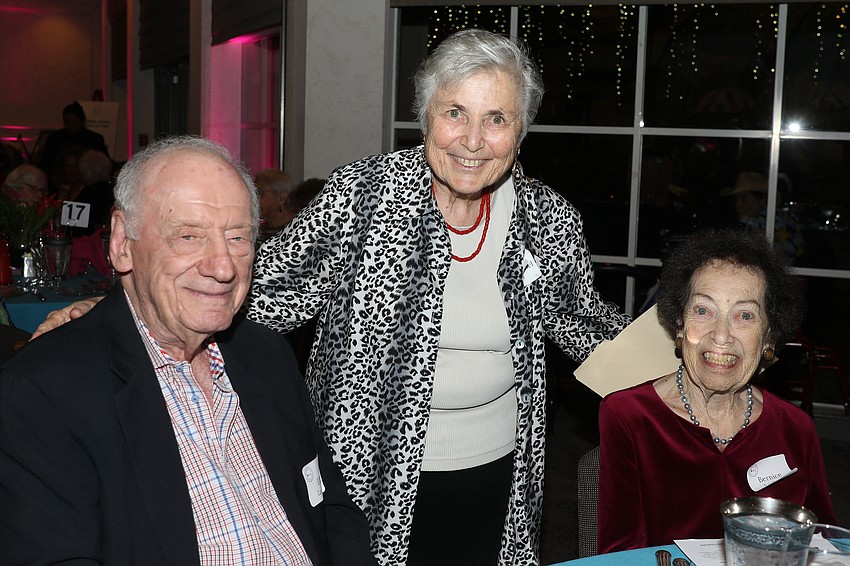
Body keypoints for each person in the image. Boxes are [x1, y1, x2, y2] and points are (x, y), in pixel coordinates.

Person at [30, 30, 630, 565]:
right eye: (455, 113)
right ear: (425, 118)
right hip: (371, 476)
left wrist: (682, 346)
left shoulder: (547, 220)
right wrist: (117, 314)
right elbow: (253, 289)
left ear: (520, 131)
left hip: (501, 470)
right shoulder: (363, 198)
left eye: (497, 118)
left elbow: (579, 318)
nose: (473, 140)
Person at [0, 136, 376, 565]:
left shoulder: (267, 355)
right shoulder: (43, 393)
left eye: (238, 237)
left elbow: (333, 511)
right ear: (123, 243)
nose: (223, 267)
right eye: (189, 236)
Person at [597, 227, 837, 554]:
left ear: (768, 337)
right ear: (679, 325)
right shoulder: (629, 416)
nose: (721, 335)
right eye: (703, 310)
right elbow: (620, 553)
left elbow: (822, 545)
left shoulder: (795, 428)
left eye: (745, 315)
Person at [721, 171, 804, 264]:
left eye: (743, 199)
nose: (738, 205)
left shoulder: (768, 221)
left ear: (762, 199)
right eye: (736, 200)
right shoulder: (781, 217)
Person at [38, 101, 110, 185]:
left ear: (82, 122)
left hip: (87, 185)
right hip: (59, 185)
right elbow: (45, 164)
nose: (70, 126)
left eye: (73, 123)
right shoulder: (54, 139)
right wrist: (51, 177)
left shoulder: (94, 139)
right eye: (66, 123)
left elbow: (104, 165)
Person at [255, 168, 296, 243]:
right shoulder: (259, 230)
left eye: (260, 193)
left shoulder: (297, 229)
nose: (255, 198)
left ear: (282, 198)